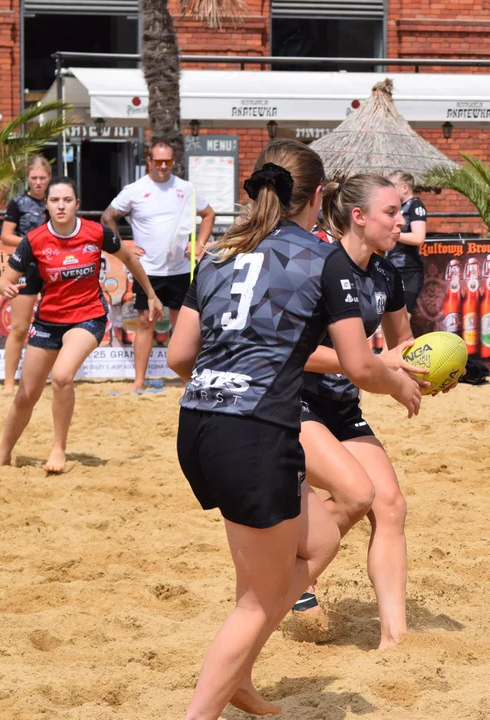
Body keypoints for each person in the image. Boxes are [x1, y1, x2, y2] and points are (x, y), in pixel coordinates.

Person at [165, 141, 422, 720]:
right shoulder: (323, 257)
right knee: (258, 600)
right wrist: (399, 383)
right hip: (255, 430)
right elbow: (358, 364)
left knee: (321, 540)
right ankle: (209, 703)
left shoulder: (216, 253)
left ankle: (239, 677)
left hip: (198, 424)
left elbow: (180, 355)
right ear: (320, 198)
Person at [294, 174, 430, 650]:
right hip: (292, 401)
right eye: (392, 213)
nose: (402, 221)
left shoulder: (386, 273)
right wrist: (377, 366)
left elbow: (402, 343)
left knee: (389, 504)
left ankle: (396, 638)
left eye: (402, 211)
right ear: (358, 216)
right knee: (355, 494)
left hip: (340, 403)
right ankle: (288, 581)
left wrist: (431, 367)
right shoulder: (318, 266)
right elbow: (293, 350)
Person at [0, 177, 162, 473]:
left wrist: (151, 294)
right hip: (48, 321)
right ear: (46, 204)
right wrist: (3, 288)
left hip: (88, 316)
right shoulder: (33, 239)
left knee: (61, 377)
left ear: (76, 205)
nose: (61, 205)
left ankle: (58, 449)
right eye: (55, 200)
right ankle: (3, 455)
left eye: (67, 200)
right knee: (26, 395)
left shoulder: (96, 232)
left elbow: (129, 259)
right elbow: (4, 279)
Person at [102, 140, 216, 392]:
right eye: (158, 161)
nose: (163, 166)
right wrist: (123, 249)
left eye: (168, 161)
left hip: (180, 269)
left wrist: (199, 244)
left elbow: (208, 214)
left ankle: (189, 379)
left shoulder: (186, 188)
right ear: (149, 161)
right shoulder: (134, 189)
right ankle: (139, 381)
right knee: (145, 322)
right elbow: (108, 216)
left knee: (184, 327)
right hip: (147, 271)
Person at [0, 156, 52, 393]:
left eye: (42, 178)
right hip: (26, 268)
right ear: (27, 178)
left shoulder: (56, 201)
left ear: (49, 178)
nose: (38, 182)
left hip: (53, 268)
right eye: (34, 178)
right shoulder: (18, 203)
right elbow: (5, 236)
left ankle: (51, 376)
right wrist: (33, 243)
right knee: (19, 327)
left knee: (55, 325)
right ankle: (9, 381)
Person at [386, 171, 427, 314]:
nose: (389, 190)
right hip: (391, 267)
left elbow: (419, 238)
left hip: (409, 270)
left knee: (403, 317)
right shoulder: (398, 207)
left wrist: (394, 235)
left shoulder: (416, 206)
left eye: (392, 186)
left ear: (404, 187)